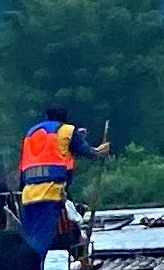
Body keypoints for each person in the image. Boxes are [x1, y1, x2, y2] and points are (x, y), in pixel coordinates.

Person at [16, 108, 109, 261]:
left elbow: (25, 165)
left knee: (31, 238)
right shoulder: (66, 130)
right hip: (50, 191)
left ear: (46, 117)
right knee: (42, 238)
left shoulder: (31, 133)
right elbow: (84, 150)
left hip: (28, 194)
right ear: (65, 119)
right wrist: (100, 152)